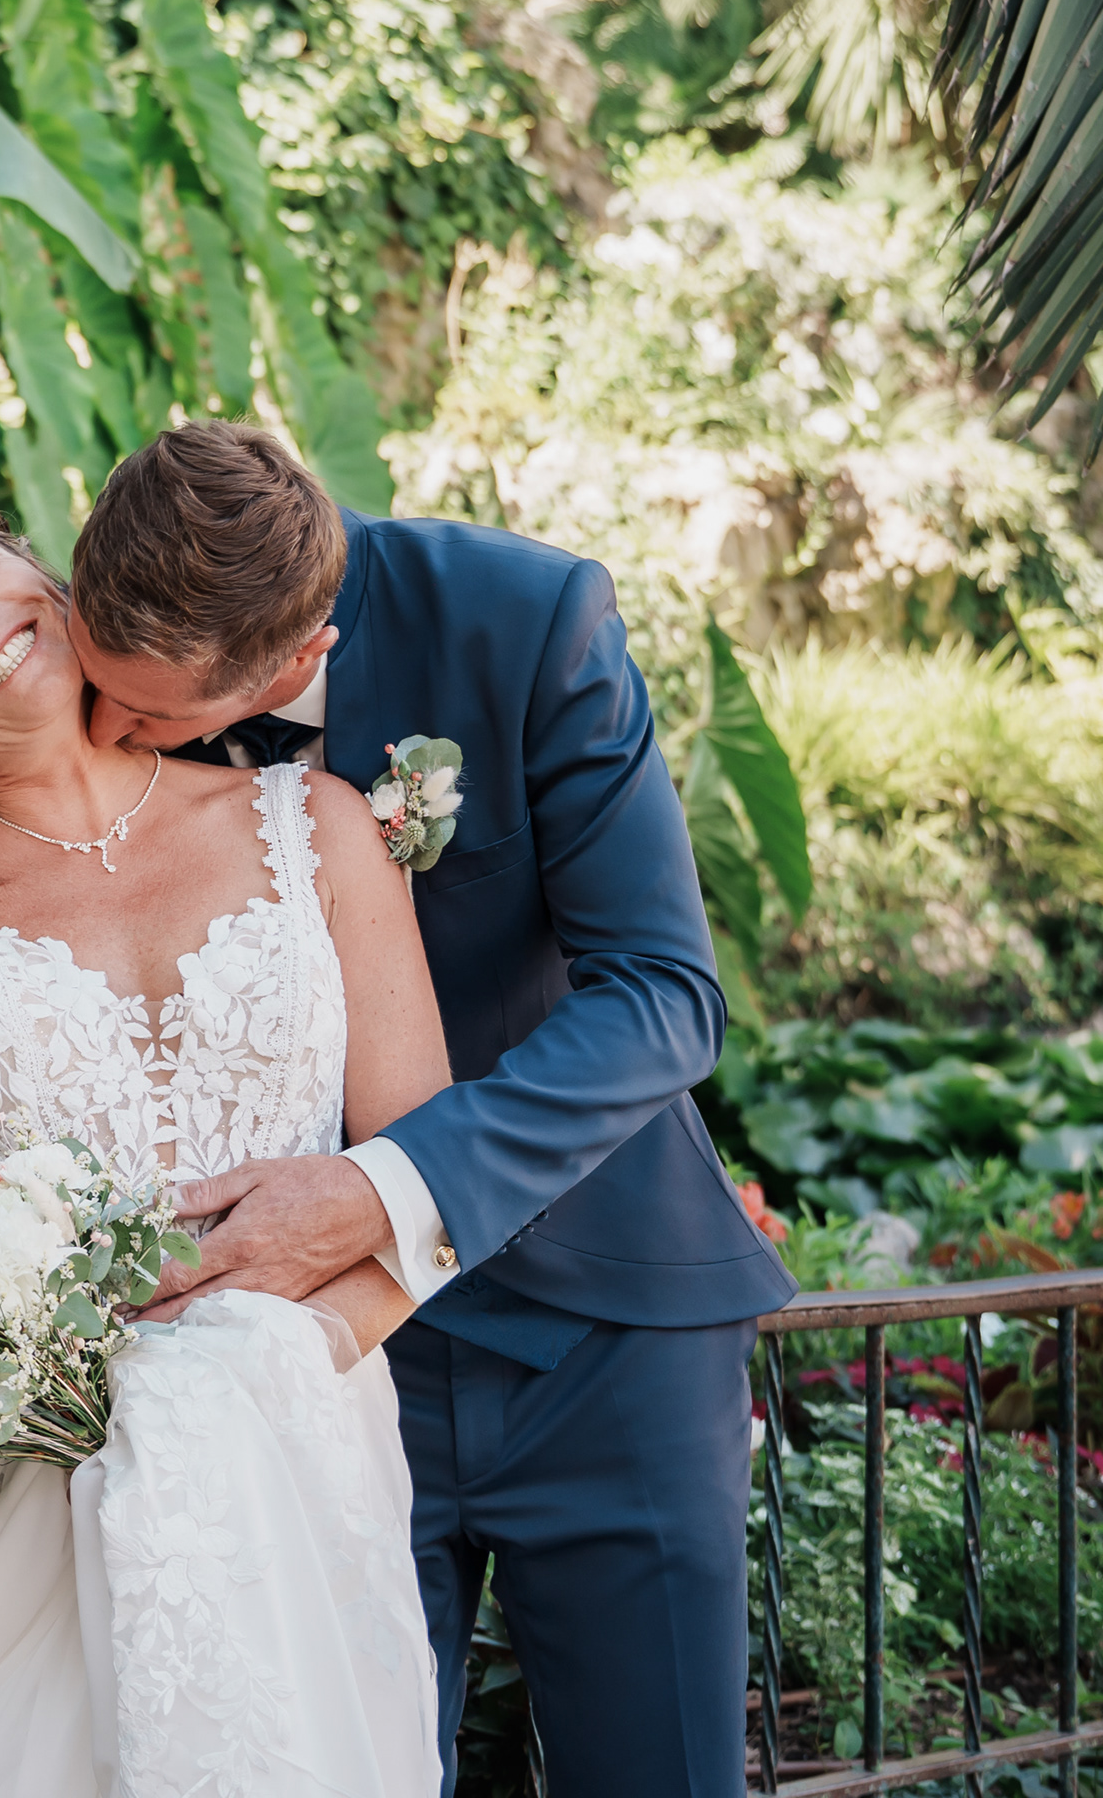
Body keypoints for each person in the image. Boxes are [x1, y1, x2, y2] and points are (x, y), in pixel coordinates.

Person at [62, 421, 796, 1798]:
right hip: (294, 1358)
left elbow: (664, 995)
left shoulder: (524, 621)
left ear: (294, 666)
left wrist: (385, 1187)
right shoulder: (90, 667)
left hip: (600, 1328)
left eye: (149, 719)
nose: (104, 737)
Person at [0, 479, 455, 1797]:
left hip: (295, 1475)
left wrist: (283, 1354)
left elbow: (430, 1179)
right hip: (7, 1515)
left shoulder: (319, 826)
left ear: (40, 565)